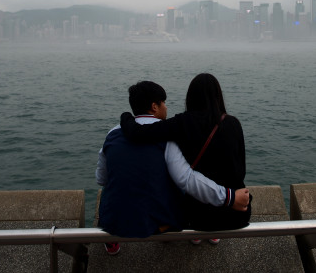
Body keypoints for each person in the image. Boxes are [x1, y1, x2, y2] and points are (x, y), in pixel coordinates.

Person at [96, 80, 249, 255]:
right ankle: (171, 232)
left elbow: (101, 179)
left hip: (114, 219)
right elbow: (186, 179)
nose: (166, 108)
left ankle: (111, 242)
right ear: (154, 107)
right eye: (164, 103)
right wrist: (229, 198)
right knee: (176, 181)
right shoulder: (168, 138)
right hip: (155, 222)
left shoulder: (112, 134)